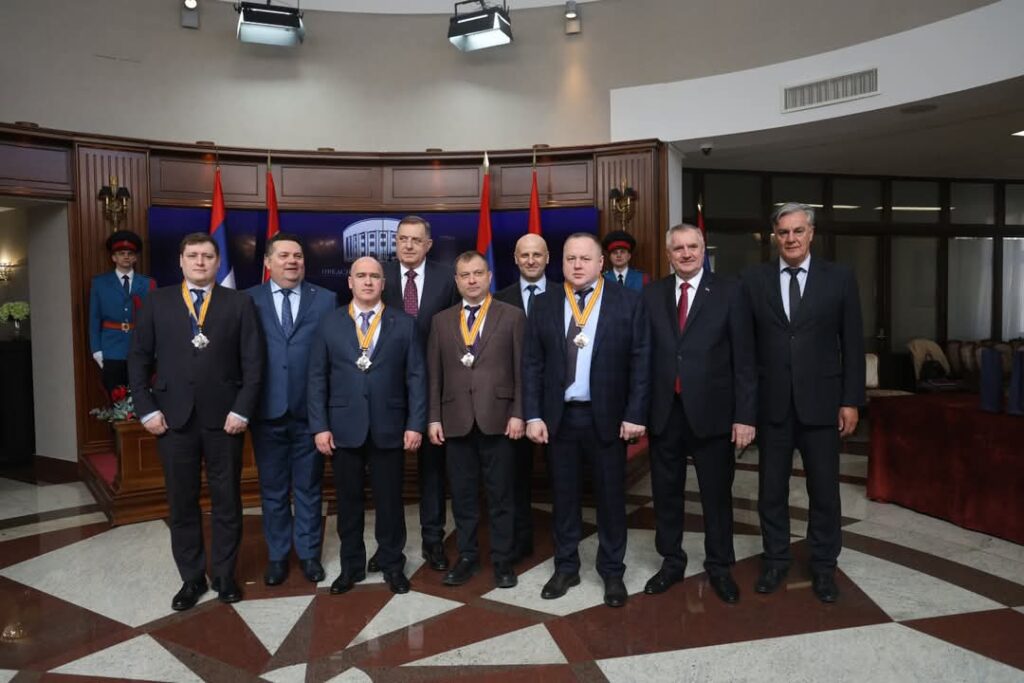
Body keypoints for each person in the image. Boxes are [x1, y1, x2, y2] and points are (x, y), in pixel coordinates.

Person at [128, 232, 264, 611]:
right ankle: (191, 578)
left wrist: (242, 409)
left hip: (226, 420)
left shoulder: (239, 302)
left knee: (227, 501)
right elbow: (138, 359)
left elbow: (254, 362)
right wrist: (146, 409)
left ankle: (224, 575)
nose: (200, 262)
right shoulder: (157, 302)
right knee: (182, 502)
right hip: (173, 420)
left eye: (207, 256)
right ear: (181, 261)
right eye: (193, 255)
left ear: (218, 262)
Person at [741, 202, 865, 603]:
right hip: (773, 406)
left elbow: (853, 343)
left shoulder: (839, 278)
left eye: (798, 231)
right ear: (774, 237)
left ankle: (823, 566)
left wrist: (851, 400)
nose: (791, 238)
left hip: (823, 405)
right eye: (783, 232)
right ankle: (776, 560)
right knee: (771, 492)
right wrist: (746, 407)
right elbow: (746, 348)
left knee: (825, 492)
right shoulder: (754, 279)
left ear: (811, 233)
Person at [522, 232, 650, 608]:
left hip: (607, 417)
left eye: (585, 258)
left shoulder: (628, 301)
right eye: (570, 258)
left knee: (611, 498)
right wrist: (533, 414)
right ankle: (566, 567)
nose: (577, 265)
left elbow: (641, 361)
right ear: (561, 262)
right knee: (563, 498)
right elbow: (531, 363)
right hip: (559, 418)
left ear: (601, 263)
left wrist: (635, 413)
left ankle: (612, 571)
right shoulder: (544, 303)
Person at [642, 224, 756, 604]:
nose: (686, 254)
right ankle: (671, 562)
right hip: (665, 412)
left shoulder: (730, 291)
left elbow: (745, 359)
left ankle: (720, 566)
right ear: (668, 254)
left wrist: (745, 416)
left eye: (693, 247)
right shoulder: (652, 294)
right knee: (665, 493)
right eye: (678, 248)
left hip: (714, 413)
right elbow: (644, 356)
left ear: (703, 249)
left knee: (716, 495)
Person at [309, 256, 427, 596]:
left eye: (374, 276)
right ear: (350, 282)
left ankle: (393, 564)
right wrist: (319, 426)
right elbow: (316, 378)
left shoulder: (404, 324)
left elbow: (416, 378)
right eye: (361, 275)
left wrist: (415, 424)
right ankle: (351, 567)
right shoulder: (329, 323)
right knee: (348, 503)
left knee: (390, 502)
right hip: (342, 428)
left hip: (390, 426)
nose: (368, 281)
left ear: (383, 283)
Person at [427, 250, 526, 589]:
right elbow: (434, 375)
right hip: (455, 421)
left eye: (478, 273)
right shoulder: (441, 321)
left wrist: (519, 413)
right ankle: (467, 556)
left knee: (501, 495)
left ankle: (502, 559)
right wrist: (433, 418)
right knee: (463, 496)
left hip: (500, 419)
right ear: (456, 281)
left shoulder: (512, 316)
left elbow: (522, 370)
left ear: (489, 276)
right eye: (465, 275)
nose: (472, 280)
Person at [246, 233, 337, 587]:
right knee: (272, 490)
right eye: (283, 255)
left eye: (297, 255)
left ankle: (309, 554)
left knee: (309, 489)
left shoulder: (325, 299)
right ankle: (278, 556)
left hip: (309, 412)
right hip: (266, 411)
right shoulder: (248, 299)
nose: (292, 261)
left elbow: (330, 357)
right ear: (268, 262)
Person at [381, 215, 459, 573]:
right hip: (386, 389)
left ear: (428, 245)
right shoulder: (379, 275)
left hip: (433, 389)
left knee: (432, 471)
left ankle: (433, 541)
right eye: (402, 239)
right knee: (388, 472)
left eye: (415, 240)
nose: (408, 245)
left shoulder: (447, 277)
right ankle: (388, 547)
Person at [494, 232, 556, 561]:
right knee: (515, 477)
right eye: (524, 255)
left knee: (562, 474)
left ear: (547, 258)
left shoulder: (565, 295)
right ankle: (520, 540)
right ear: (515, 259)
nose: (531, 260)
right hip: (515, 403)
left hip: (558, 400)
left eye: (537, 254)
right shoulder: (499, 299)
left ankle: (564, 542)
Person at [89, 230, 156, 394]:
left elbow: (155, 320)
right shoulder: (100, 283)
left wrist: (154, 349)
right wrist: (96, 350)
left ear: (135, 258)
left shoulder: (148, 284)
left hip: (140, 348)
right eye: (121, 253)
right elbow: (94, 319)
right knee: (115, 398)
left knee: (142, 396)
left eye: (130, 253)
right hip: (111, 349)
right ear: (114, 258)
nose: (126, 257)